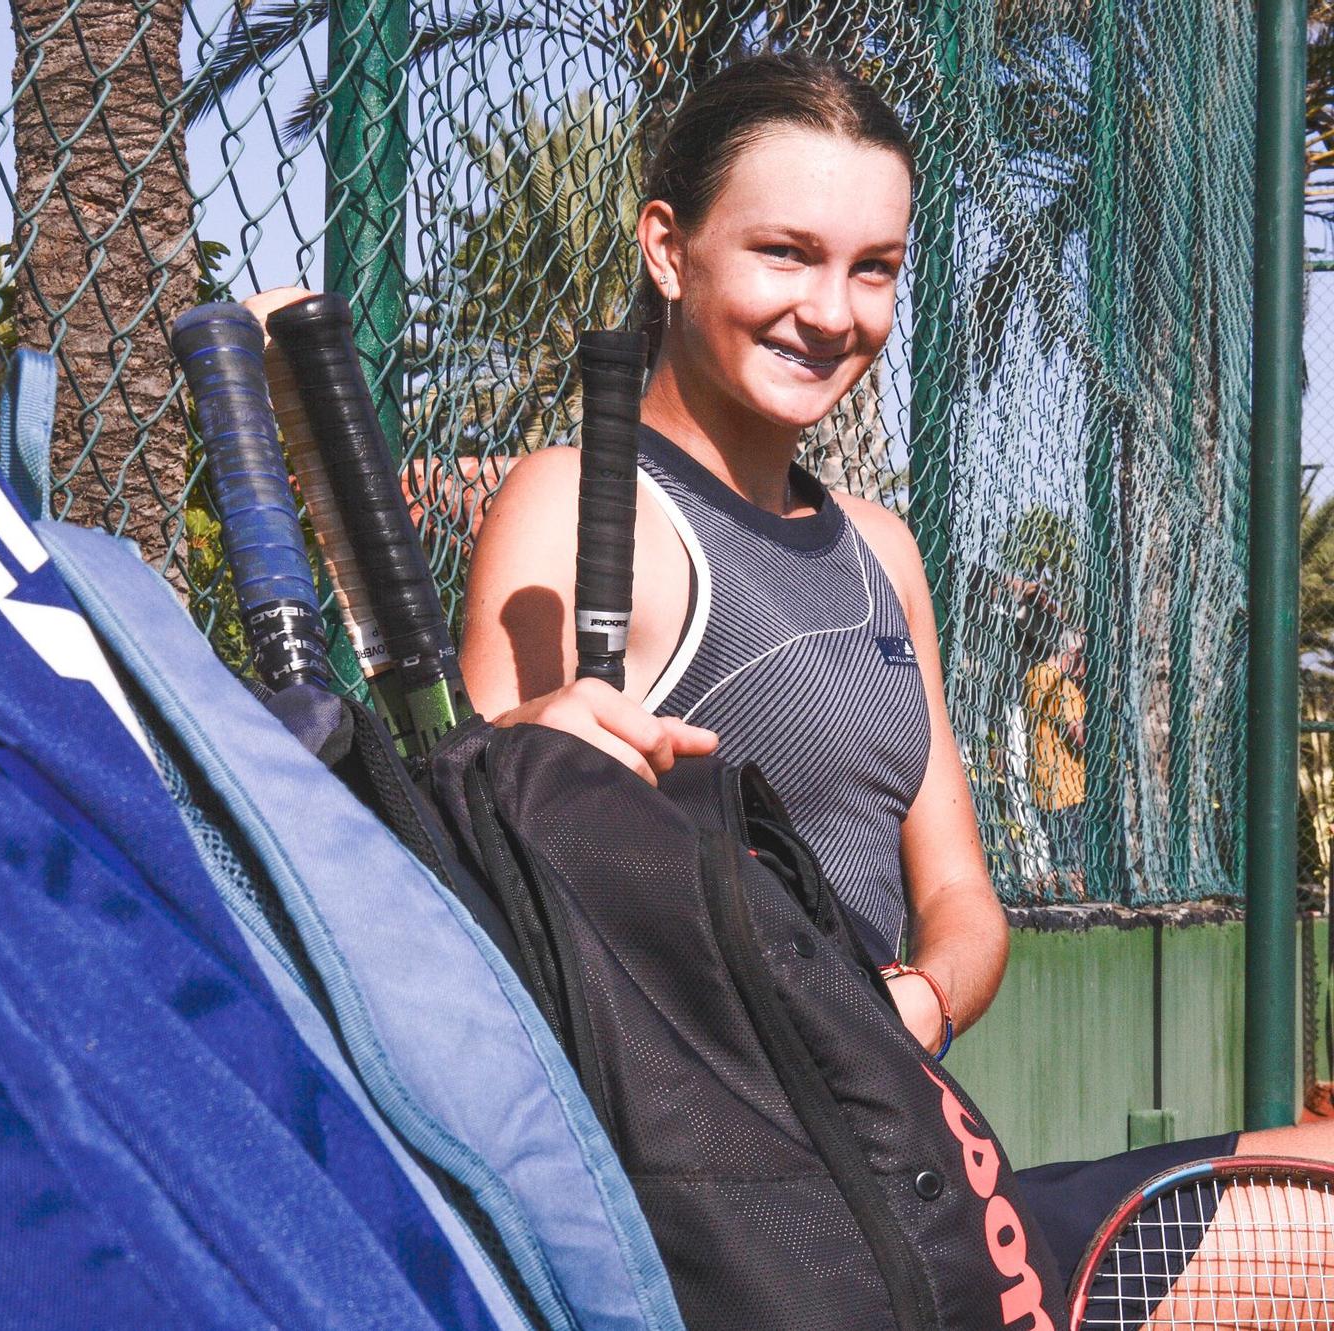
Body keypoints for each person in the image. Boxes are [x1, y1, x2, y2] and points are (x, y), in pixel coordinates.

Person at [451, 48, 1334, 1321]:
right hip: (770, 1237)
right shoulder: (583, 506)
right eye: (785, 253)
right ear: (665, 248)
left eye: (872, 269)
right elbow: (487, 864)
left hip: (914, 1173)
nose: (832, 310)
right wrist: (526, 741)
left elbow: (962, 902)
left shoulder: (881, 550)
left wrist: (901, 1005)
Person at [1024, 628, 1087, 882]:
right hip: (1069, 787)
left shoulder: (1033, 676)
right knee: (1075, 864)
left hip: (1041, 783)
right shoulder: (1065, 688)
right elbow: (1079, 737)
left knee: (1058, 856)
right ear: (1072, 653)